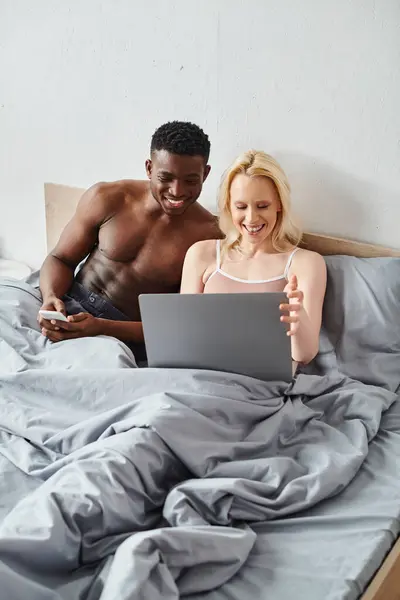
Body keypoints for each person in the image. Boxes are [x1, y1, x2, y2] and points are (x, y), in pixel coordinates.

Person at [38, 121, 221, 360]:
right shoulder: (108, 198)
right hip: (68, 302)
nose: (176, 191)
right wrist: (51, 297)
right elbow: (60, 258)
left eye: (190, 181)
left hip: (125, 334)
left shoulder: (210, 236)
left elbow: (180, 325)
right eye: (165, 177)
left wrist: (101, 326)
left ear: (205, 174)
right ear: (149, 168)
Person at [180, 150, 327, 367]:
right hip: (201, 375)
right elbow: (183, 338)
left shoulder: (305, 263)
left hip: (261, 385)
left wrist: (298, 320)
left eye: (262, 206)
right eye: (241, 207)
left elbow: (304, 355)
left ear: (279, 204)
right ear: (229, 206)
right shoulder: (201, 255)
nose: (251, 218)